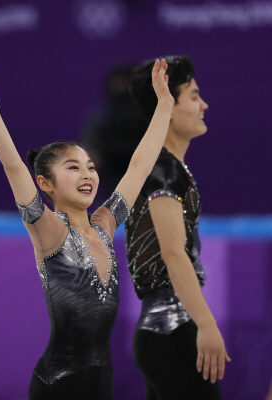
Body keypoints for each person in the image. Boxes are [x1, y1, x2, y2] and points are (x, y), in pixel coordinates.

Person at [0, 56, 174, 400]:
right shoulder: (49, 231)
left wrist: (164, 107)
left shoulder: (105, 226)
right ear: (45, 184)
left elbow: (139, 167)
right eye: (73, 167)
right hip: (59, 383)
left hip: (101, 383)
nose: (87, 174)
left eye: (90, 167)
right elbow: (12, 166)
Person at [124, 55, 231, 400]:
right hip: (172, 333)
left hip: (162, 332)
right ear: (168, 106)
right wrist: (207, 324)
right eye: (195, 96)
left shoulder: (170, 169)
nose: (204, 104)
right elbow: (172, 253)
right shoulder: (164, 170)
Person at [81, 64, 149, 201]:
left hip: (145, 173)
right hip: (111, 171)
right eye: (119, 83)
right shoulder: (102, 116)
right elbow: (91, 147)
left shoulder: (151, 116)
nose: (123, 87)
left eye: (127, 82)